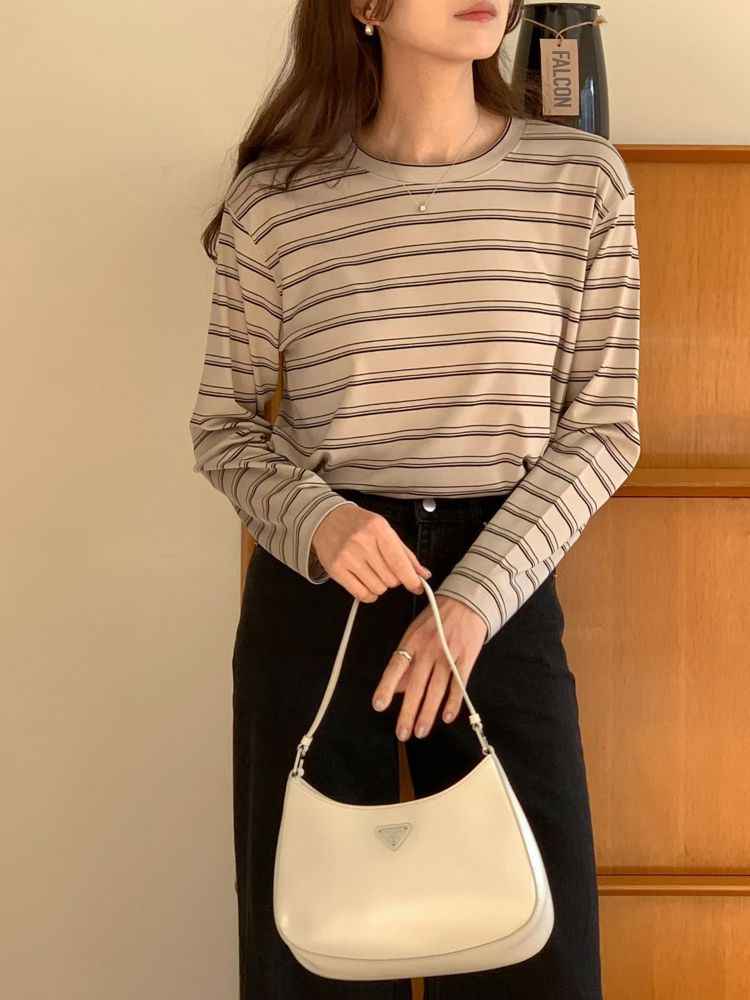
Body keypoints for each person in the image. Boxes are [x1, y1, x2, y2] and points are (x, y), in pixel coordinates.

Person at [188, 2, 640, 998]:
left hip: (499, 587)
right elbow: (223, 425)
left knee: (539, 958)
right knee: (308, 956)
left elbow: (605, 428)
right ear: (364, 6)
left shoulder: (582, 183)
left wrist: (474, 597)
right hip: (325, 589)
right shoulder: (278, 201)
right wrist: (319, 520)